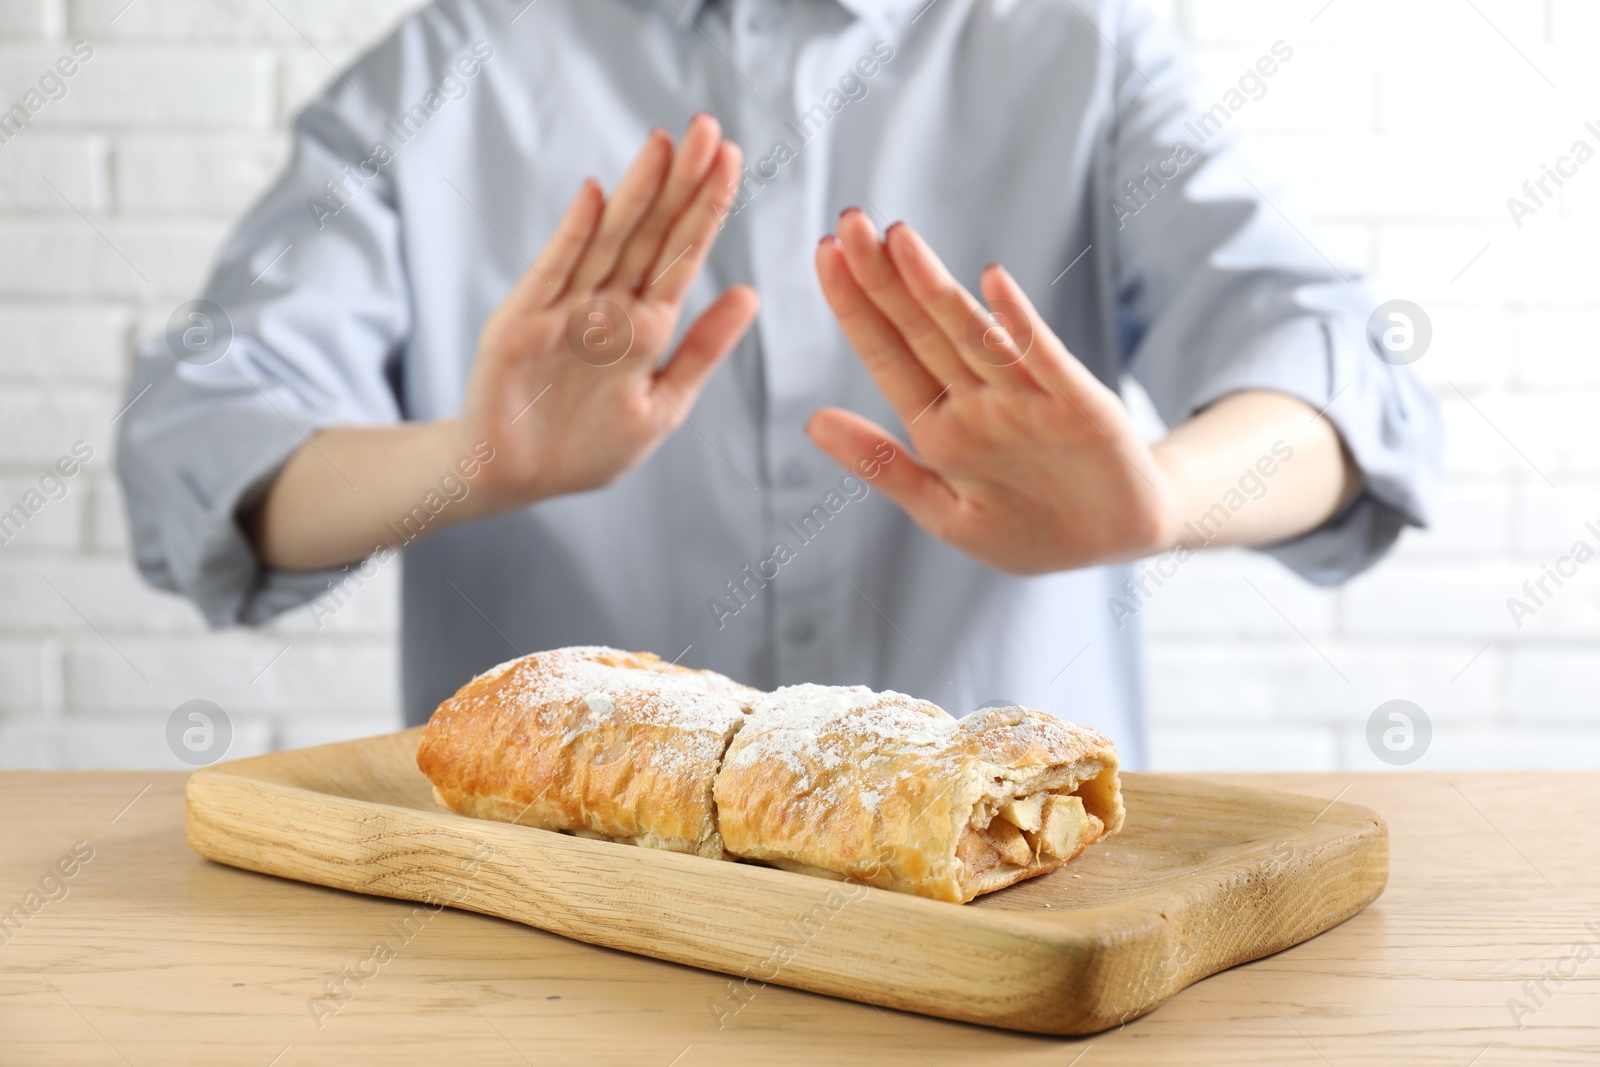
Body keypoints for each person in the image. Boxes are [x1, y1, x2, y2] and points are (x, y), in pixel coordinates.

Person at [116, 0, 1440, 768]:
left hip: (1022, 937)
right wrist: (477, 457)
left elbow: (1332, 372)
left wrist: (1158, 499)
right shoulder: (451, 65)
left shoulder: (1072, 42)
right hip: (558, 945)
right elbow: (199, 447)